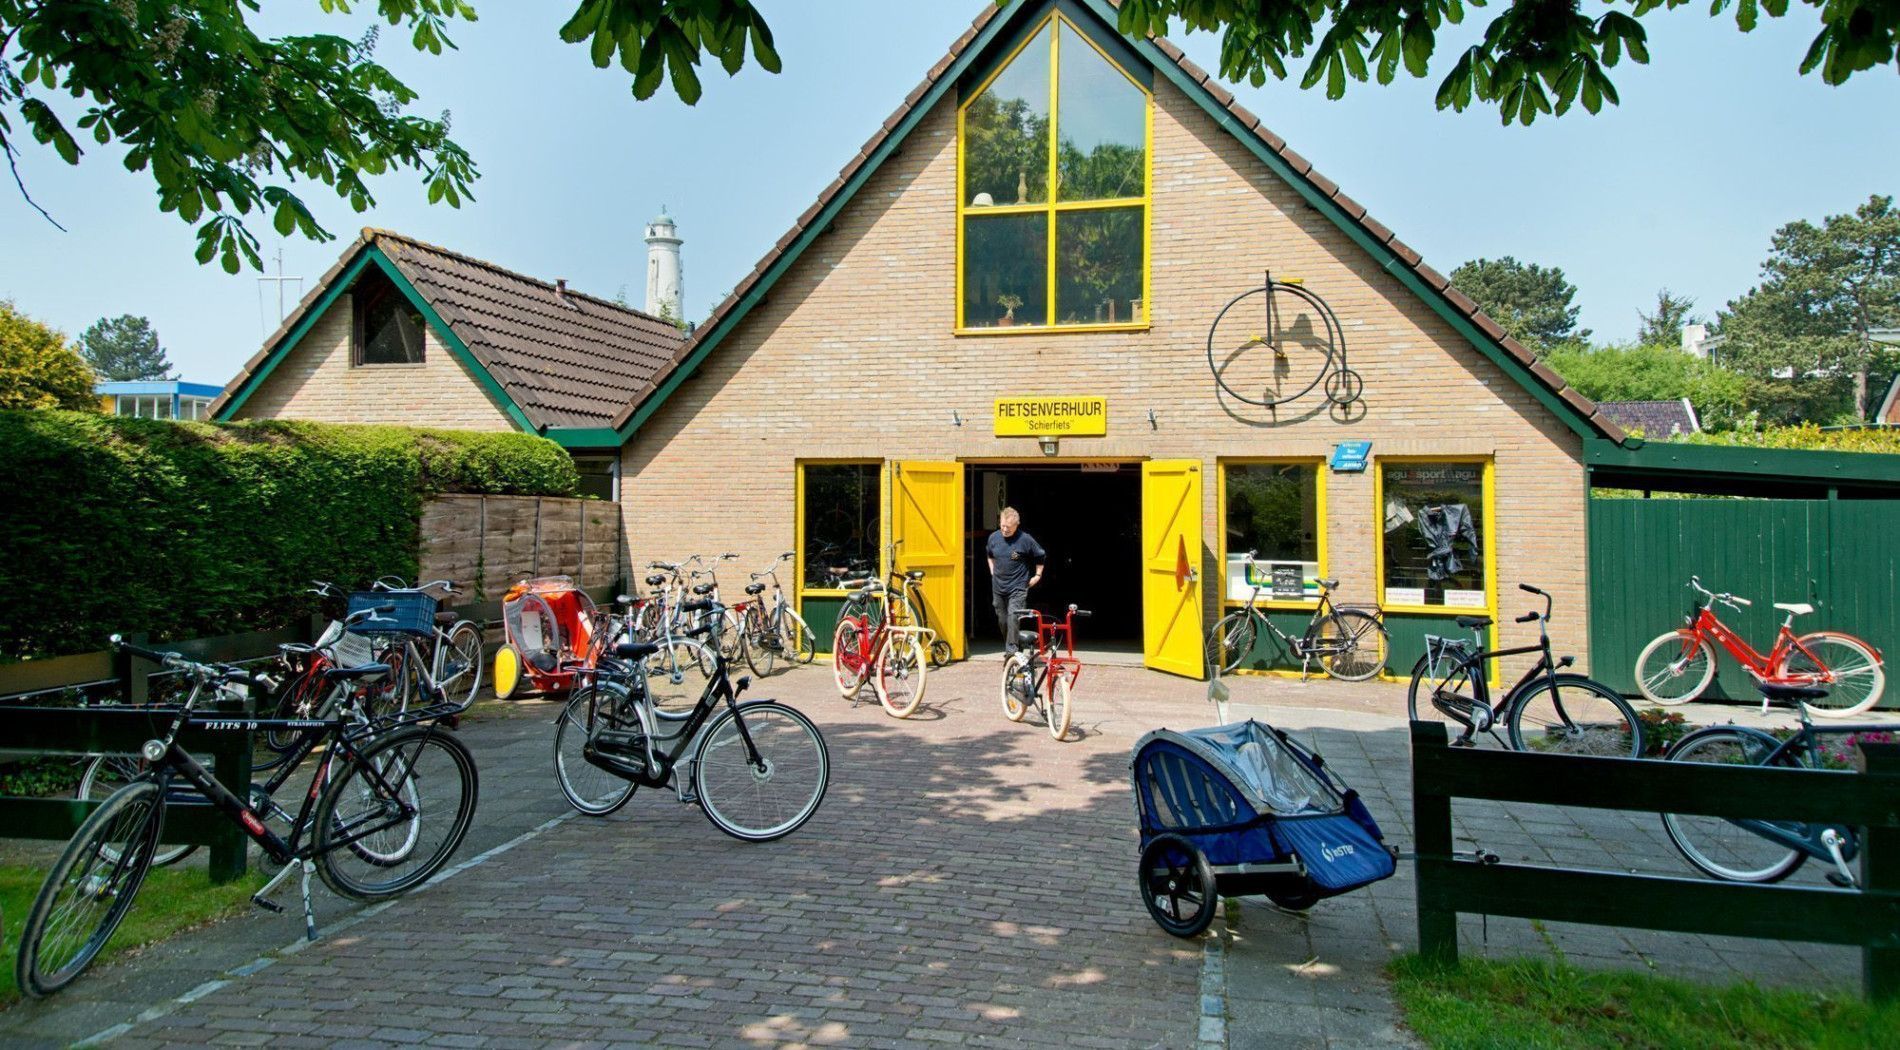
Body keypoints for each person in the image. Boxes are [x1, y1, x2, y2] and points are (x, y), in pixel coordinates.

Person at [986, 506, 1046, 656]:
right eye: (1003, 526)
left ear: (1016, 525)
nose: (1005, 530)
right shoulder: (994, 538)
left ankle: (1011, 652)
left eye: (1009, 527)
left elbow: (1040, 555)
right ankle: (1015, 645)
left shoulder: (1025, 539)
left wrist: (1037, 575)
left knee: (1013, 616)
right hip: (998, 586)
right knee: (1002, 620)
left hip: (1018, 586)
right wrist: (992, 571)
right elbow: (989, 554)